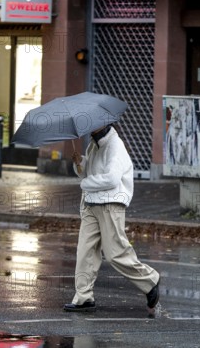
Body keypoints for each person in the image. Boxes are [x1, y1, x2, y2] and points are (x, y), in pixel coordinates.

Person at [64, 124, 160, 314]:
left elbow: (112, 179)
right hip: (92, 203)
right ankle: (83, 297)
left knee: (115, 252)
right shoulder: (93, 144)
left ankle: (150, 280)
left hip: (110, 203)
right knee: (85, 251)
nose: (89, 124)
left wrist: (85, 182)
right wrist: (80, 163)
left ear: (104, 122)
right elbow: (90, 171)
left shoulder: (115, 145)